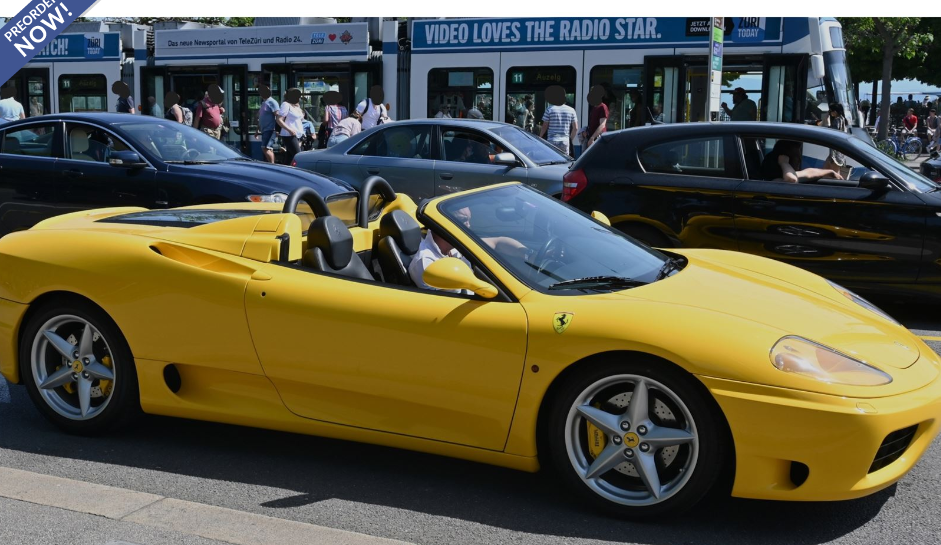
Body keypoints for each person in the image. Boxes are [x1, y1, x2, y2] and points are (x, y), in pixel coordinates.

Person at [408, 206, 528, 293]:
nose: (469, 226)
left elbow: (498, 242)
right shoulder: (426, 263)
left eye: (469, 220)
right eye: (464, 220)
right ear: (445, 224)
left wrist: (528, 254)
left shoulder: (456, 242)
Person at [761, 140, 844, 184]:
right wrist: (784, 163)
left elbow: (809, 173)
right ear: (786, 159)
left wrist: (830, 172)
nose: (800, 160)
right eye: (796, 157)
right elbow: (792, 180)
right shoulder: (775, 181)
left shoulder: (788, 174)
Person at [277, 88, 305, 165]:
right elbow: (279, 119)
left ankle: (284, 173)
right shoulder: (286, 105)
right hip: (289, 134)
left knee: (289, 157)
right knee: (298, 155)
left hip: (298, 134)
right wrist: (289, 130)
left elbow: (300, 119)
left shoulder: (296, 106)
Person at [256, 85, 281, 164]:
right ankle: (272, 164)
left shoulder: (272, 102)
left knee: (265, 148)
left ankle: (272, 165)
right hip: (265, 129)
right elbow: (261, 117)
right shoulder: (264, 102)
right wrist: (257, 130)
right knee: (268, 148)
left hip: (270, 129)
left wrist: (277, 129)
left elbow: (277, 115)